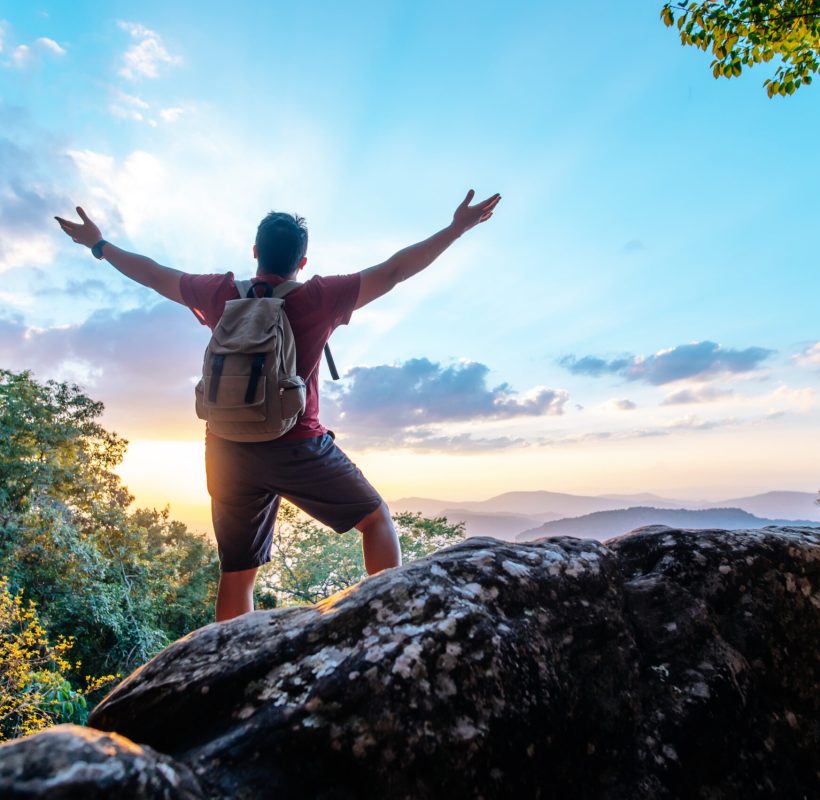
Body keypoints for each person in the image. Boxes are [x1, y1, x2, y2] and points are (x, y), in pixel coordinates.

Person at [55, 189, 501, 621]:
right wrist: (455, 229)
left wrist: (99, 244)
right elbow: (395, 270)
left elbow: (153, 273)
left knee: (237, 575)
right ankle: (391, 625)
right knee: (377, 520)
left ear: (255, 251)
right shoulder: (318, 297)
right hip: (298, 446)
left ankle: (226, 669)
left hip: (226, 449)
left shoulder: (221, 292)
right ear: (302, 262)